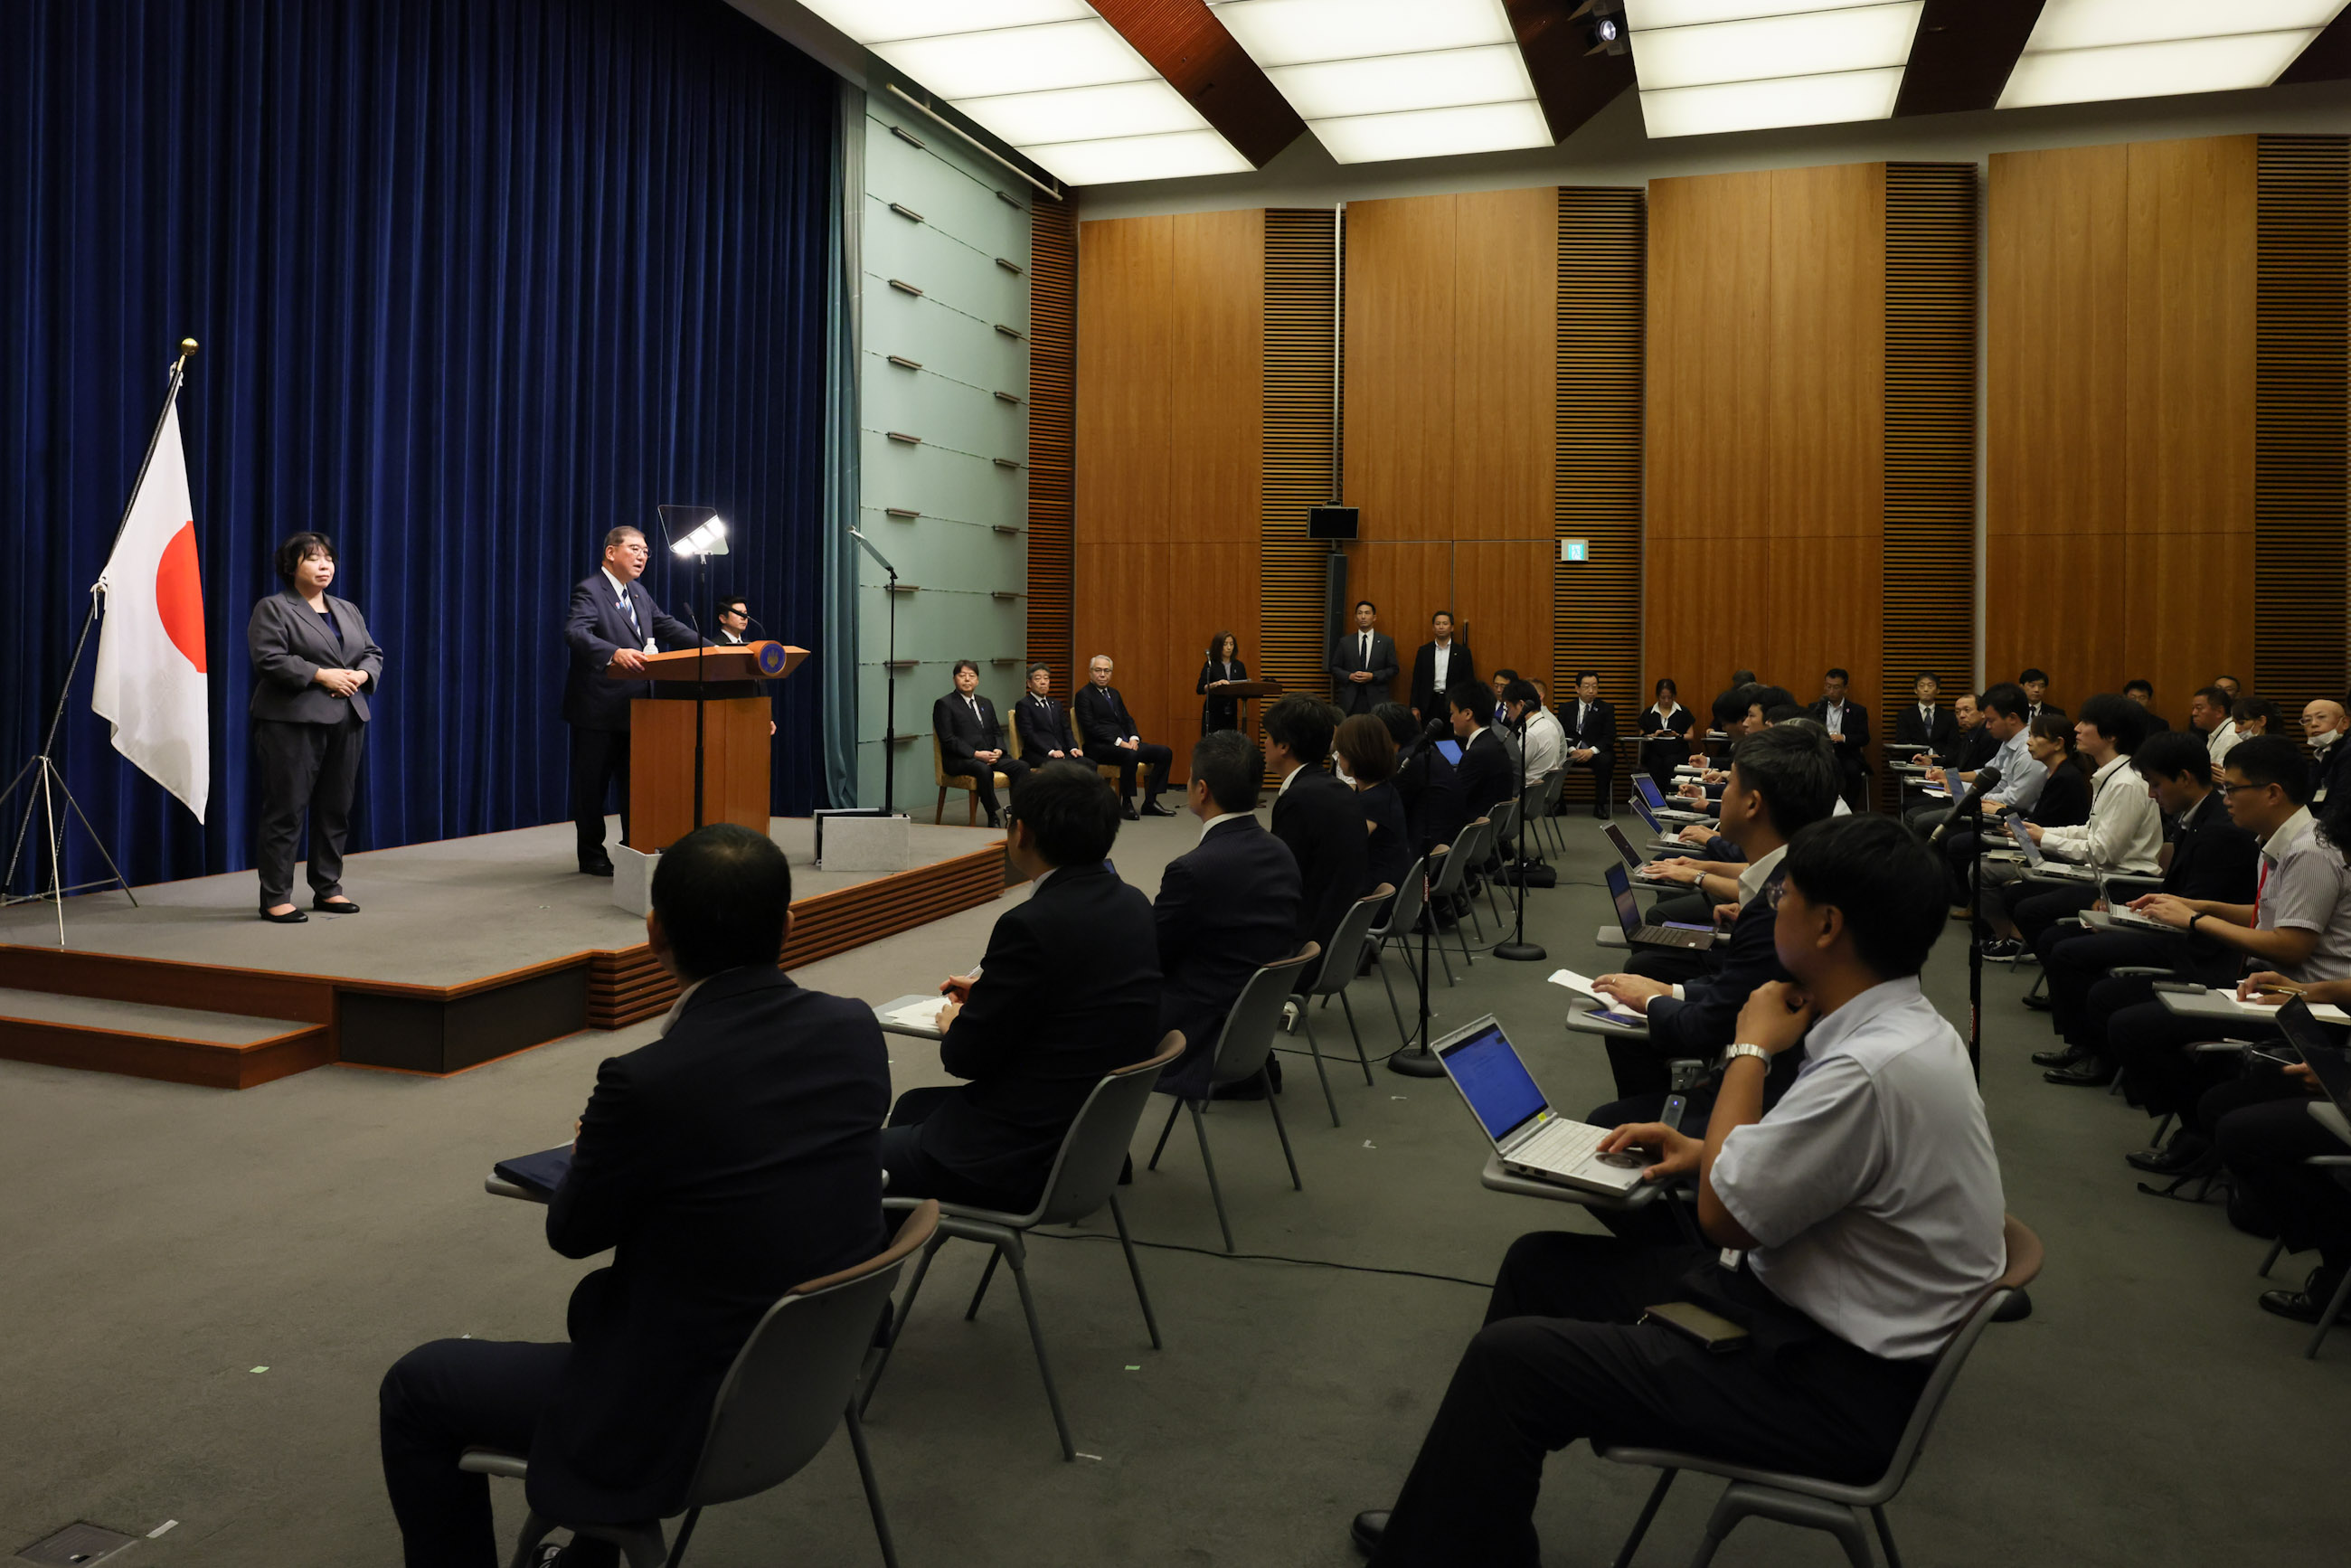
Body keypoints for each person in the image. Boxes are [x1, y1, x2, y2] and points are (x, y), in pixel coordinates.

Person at [1348, 814, 2006, 1567]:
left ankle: (1442, 1547)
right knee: (1539, 1266)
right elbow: (1829, 1178)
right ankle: (1471, 1532)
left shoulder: (1866, 1069)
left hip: (1824, 1384)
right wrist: (1702, 1149)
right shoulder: (1905, 1029)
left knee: (1513, 1363)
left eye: (1785, 895)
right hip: (1810, 1319)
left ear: (1826, 926)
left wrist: (1751, 1046)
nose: (1770, 906)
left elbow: (1723, 1219)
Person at [378, 825, 888, 1568]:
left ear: (654, 932)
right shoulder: (854, 1027)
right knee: (633, 1292)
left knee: (417, 1387)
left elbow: (573, 1231)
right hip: (804, 1380)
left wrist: (594, 1148)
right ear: (788, 924)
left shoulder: (645, 1081)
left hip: (682, 1406)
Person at [881, 764, 1159, 1210]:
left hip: (1026, 1148)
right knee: (915, 1105)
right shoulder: (1134, 902)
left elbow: (966, 1059)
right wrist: (992, 996)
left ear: (1021, 832)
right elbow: (1075, 996)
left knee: (854, 1162)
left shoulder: (1030, 925)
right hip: (1096, 1128)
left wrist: (957, 1020)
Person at [2053, 736, 2351, 1098]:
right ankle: (2196, 1127)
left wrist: (2196, 921)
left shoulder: (2309, 851)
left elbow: (2289, 947)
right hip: (2268, 988)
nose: (2225, 800)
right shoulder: (2277, 839)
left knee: (2133, 1025)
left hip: (2308, 1004)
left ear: (2272, 793)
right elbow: (2268, 917)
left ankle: (2194, 1127)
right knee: (2126, 1014)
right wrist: (2202, 907)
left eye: (2232, 789)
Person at [1589, 723, 1839, 1113]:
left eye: (1731, 784)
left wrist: (1654, 1000)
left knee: (1605, 1119)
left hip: (1769, 1101)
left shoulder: (1781, 902)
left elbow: (1712, 1025)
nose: (1722, 794)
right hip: (1789, 1073)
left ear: (1753, 804)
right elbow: (1738, 993)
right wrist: (1671, 992)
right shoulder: (1799, 872)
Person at [2030, 729, 2259, 1091]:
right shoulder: (2198, 815)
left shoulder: (2221, 830)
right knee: (2065, 940)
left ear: (2184, 778)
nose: (2152, 794)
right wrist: (2125, 913)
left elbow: (2191, 915)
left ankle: (2098, 1055)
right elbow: (2179, 898)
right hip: (2179, 929)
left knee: (2071, 951)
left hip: (2201, 948)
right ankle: (2087, 1046)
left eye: (2156, 784)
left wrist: (2129, 920)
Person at [1151, 731, 1302, 1101]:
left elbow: (1153, 957)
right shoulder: (1280, 851)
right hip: (1254, 1021)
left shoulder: (1192, 870)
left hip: (1200, 1026)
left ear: (1201, 790)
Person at [247, 531, 384, 923]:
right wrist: (321, 675)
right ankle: (276, 896)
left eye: (328, 559)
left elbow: (372, 652)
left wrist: (360, 675)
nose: (324, 566)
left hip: (347, 718)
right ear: (292, 567)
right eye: (313, 559)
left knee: (335, 810)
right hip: (291, 721)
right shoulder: (274, 608)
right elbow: (269, 658)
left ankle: (328, 888)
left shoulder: (347, 608)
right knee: (286, 810)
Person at [563, 526, 704, 875]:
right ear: (611, 553)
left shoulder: (638, 592)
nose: (642, 556)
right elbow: (575, 633)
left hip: (639, 710)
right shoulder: (590, 590)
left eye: (646, 551)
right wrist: (613, 653)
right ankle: (592, 855)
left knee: (637, 784)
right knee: (592, 788)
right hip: (598, 709)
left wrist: (711, 647)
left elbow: (667, 625)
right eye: (634, 549)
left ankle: (633, 847)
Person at [1979, 694, 2160, 959]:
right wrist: (2042, 832)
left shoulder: (2126, 783)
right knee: (2020, 899)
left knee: (2030, 909)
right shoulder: (2110, 776)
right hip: (2102, 876)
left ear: (2111, 736)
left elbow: (2102, 852)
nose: (2077, 728)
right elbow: (2090, 830)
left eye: (2086, 722)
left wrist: (2045, 840)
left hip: (2122, 885)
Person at [1268, 694, 1372, 993]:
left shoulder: (1298, 800)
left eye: (1268, 738)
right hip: (1339, 941)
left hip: (1303, 950)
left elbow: (1281, 884)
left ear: (1284, 746)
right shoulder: (1340, 790)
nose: (1265, 745)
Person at [1074, 655, 1176, 818]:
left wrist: (1134, 738)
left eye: (1106, 671)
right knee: (1130, 754)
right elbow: (1090, 727)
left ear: (1111, 673)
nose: (1102, 674)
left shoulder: (1114, 693)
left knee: (1164, 752)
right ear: (1090, 673)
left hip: (1126, 744)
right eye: (1098, 670)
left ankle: (1150, 802)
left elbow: (1127, 719)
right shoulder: (1083, 695)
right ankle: (1126, 803)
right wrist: (1120, 742)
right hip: (1099, 747)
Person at [933, 660, 1028, 828]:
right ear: (954, 679)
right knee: (982, 769)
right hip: (960, 759)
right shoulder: (944, 704)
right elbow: (948, 739)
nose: (967, 680)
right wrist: (976, 754)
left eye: (972, 676)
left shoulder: (986, 703)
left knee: (1021, 766)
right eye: (962, 676)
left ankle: (1019, 813)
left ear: (977, 680)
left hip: (989, 755)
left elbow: (997, 731)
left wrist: (999, 750)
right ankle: (993, 816)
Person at [1337, 713, 1410, 914]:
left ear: (1355, 755)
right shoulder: (1383, 790)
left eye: (1340, 752)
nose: (1337, 756)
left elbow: (1343, 849)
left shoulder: (1372, 802)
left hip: (1373, 902)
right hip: (1387, 887)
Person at [1378, 703, 1464, 868]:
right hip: (1446, 848)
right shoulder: (1426, 749)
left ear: (1386, 734)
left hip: (1424, 857)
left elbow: (1389, 813)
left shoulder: (1408, 759)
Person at [1448, 684, 1515, 827]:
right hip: (1490, 825)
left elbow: (1455, 800)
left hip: (1474, 827)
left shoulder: (1477, 753)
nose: (1451, 720)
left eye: (1452, 713)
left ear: (1467, 714)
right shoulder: (1491, 741)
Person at [1808, 667, 1872, 808]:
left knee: (1853, 771)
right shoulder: (1816, 708)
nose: (1830, 691)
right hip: (1822, 753)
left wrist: (1843, 738)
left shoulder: (1857, 711)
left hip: (1846, 754)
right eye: (1828, 686)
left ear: (1845, 689)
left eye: (1836, 687)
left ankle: (1848, 809)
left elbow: (1864, 737)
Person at [1562, 671, 1617, 818]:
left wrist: (1591, 751)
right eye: (1586, 686)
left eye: (1594, 686)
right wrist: (1573, 750)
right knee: (1555, 757)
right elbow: (1562, 734)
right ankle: (1558, 804)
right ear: (1577, 688)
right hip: (1571, 750)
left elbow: (1609, 736)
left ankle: (1600, 806)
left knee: (1607, 760)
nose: (1591, 690)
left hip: (1595, 752)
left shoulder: (1607, 709)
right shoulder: (1566, 708)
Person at [1331, 600, 1399, 717]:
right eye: (1360, 613)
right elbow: (1334, 668)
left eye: (1367, 613)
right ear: (1355, 618)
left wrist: (1373, 676)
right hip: (1350, 698)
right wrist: (1349, 676)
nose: (1363, 617)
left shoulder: (1386, 642)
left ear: (1374, 617)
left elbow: (1393, 669)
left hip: (1376, 698)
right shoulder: (1345, 642)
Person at [1408, 611, 1475, 723]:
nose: (1441, 627)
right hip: (1429, 702)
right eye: (1438, 624)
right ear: (1433, 628)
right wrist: (1414, 706)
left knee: (1451, 738)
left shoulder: (1463, 652)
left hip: (1453, 702)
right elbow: (1417, 680)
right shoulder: (1424, 651)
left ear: (1452, 628)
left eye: (1445, 623)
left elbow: (1468, 682)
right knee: (1430, 737)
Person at [1015, 663, 1078, 762]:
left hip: (1062, 751)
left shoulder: (1056, 704)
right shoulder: (1024, 705)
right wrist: (1050, 751)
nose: (1043, 682)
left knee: (1088, 764)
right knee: (1064, 767)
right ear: (1029, 683)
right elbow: (1029, 734)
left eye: (1046, 678)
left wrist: (1073, 748)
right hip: (1039, 753)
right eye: (1038, 679)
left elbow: (1066, 729)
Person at [1638, 677, 1693, 789]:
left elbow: (1691, 736)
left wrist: (1678, 735)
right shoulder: (1649, 713)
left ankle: (1672, 797)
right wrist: (1653, 735)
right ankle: (1657, 800)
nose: (1667, 701)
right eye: (1663, 698)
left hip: (1677, 752)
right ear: (1658, 696)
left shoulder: (1683, 712)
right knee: (1655, 763)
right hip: (1654, 752)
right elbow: (1642, 736)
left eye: (1670, 697)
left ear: (1674, 696)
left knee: (1671, 762)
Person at [1892, 672, 1954, 760]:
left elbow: (1953, 743)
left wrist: (1940, 757)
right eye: (1921, 686)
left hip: (1941, 762)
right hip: (1914, 761)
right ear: (1915, 690)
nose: (1926, 689)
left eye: (1930, 686)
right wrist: (1922, 757)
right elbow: (1902, 741)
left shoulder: (1948, 716)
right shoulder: (1905, 715)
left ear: (1938, 690)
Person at [1196, 631, 1249, 735]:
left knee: (1230, 743)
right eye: (1225, 644)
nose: (1229, 647)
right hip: (1214, 711)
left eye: (1231, 644)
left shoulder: (1239, 665)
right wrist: (1215, 684)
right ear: (1218, 646)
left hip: (1231, 711)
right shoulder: (1211, 664)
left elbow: (1245, 687)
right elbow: (1200, 688)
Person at [2305, 697, 2351, 807]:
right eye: (2307, 720)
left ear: (2345, 723)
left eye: (2321, 717)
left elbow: (2342, 804)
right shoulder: (2321, 753)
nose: (2313, 724)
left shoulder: (2348, 752)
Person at [2191, 684, 2237, 774]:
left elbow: (2224, 779)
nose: (2194, 713)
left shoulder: (2231, 736)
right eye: (2193, 708)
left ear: (2219, 712)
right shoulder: (2216, 733)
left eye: (2199, 708)